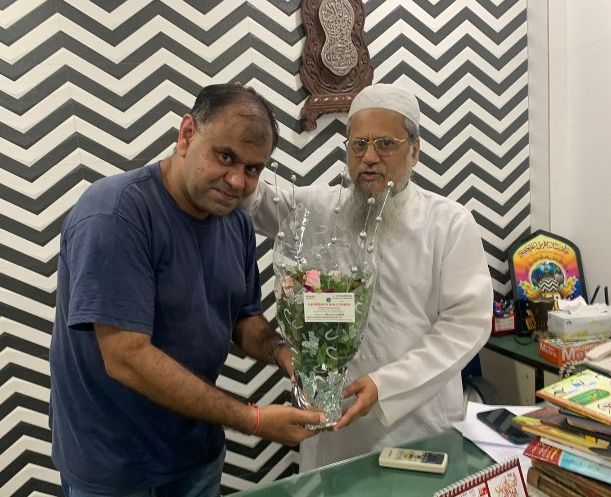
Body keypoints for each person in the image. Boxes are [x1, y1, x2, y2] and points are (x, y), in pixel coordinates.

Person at [49, 84, 324, 497]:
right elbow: (126, 357)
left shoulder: (236, 222)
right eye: (225, 156)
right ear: (187, 134)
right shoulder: (115, 213)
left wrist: (285, 354)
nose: (237, 181)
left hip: (197, 457)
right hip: (114, 467)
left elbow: (243, 318)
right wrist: (254, 420)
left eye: (253, 169)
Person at [244, 82, 494, 470]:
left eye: (386, 144)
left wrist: (386, 385)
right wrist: (238, 134)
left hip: (417, 426)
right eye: (358, 145)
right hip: (334, 431)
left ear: (415, 150)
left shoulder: (448, 224)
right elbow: (255, 198)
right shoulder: (322, 208)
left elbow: (466, 325)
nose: (369, 158)